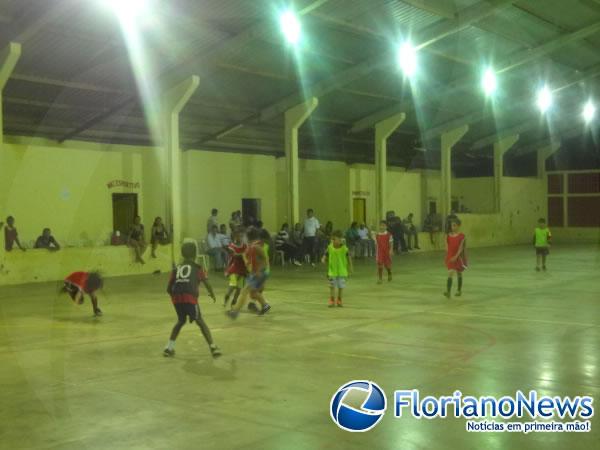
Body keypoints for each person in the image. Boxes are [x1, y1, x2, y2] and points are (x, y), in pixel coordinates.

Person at [163, 242, 221, 358]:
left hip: (177, 299)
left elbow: (169, 288)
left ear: (182, 254)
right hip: (190, 298)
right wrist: (212, 294)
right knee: (200, 321)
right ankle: (213, 347)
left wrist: (177, 298)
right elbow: (207, 283)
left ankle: (169, 348)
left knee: (181, 321)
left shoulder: (176, 268)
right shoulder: (197, 268)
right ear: (195, 254)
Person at [227, 227, 272, 319]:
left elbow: (265, 259)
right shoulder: (252, 246)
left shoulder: (256, 246)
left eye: (245, 236)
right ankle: (265, 305)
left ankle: (235, 312)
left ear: (248, 237)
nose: (244, 238)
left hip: (258, 273)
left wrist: (259, 270)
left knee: (244, 291)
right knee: (253, 293)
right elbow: (251, 259)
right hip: (258, 272)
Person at [322, 230, 353, 307]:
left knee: (341, 287)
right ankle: (332, 300)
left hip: (341, 271)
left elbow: (349, 256)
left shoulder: (344, 248)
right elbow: (326, 252)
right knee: (332, 286)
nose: (334, 241)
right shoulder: (330, 247)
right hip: (332, 271)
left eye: (336, 239)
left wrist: (351, 266)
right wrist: (323, 257)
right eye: (333, 239)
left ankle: (339, 300)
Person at [224, 228, 247, 308]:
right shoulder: (231, 246)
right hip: (234, 269)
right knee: (232, 286)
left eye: (241, 236)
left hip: (242, 270)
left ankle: (234, 302)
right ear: (234, 237)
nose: (239, 238)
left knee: (239, 289)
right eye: (237, 236)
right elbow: (234, 255)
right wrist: (244, 254)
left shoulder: (245, 246)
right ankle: (226, 298)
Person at [444, 219, 467, 298]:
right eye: (452, 225)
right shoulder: (448, 235)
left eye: (454, 225)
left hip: (458, 257)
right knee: (450, 273)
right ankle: (448, 291)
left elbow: (460, 248)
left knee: (459, 273)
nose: (452, 227)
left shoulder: (462, 236)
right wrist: (448, 255)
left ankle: (459, 290)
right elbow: (447, 246)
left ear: (458, 226)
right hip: (450, 256)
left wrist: (456, 257)